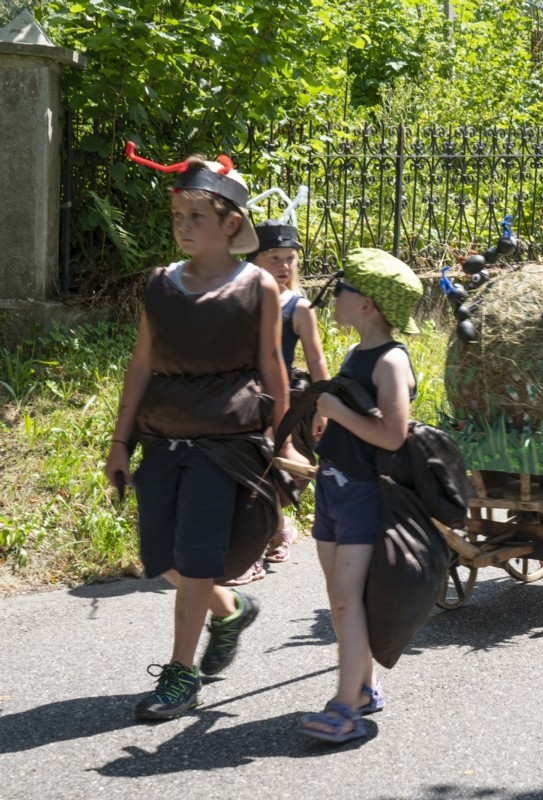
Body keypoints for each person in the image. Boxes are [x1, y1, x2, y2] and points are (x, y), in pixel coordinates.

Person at [104, 156, 296, 720]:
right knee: (159, 555)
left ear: (231, 224)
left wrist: (285, 441)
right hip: (162, 437)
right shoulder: (160, 285)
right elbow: (141, 365)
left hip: (223, 445)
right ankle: (230, 608)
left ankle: (180, 674)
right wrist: (119, 442)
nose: (183, 226)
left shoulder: (257, 285)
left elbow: (273, 366)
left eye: (196, 217)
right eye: (177, 217)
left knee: (194, 559)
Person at [298, 249, 423, 744]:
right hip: (333, 487)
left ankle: (345, 709)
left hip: (364, 495)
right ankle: (364, 688)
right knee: (341, 600)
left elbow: (393, 435)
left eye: (342, 290)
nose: (334, 297)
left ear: (367, 304)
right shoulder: (356, 353)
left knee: (347, 600)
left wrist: (335, 410)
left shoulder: (391, 361)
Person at [251, 219, 330, 566]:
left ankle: (266, 533)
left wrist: (324, 406)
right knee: (247, 464)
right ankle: (278, 527)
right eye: (274, 258)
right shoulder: (238, 299)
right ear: (253, 259)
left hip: (279, 400)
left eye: (290, 258)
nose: (284, 266)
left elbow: (316, 359)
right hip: (240, 395)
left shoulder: (297, 307)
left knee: (266, 463)